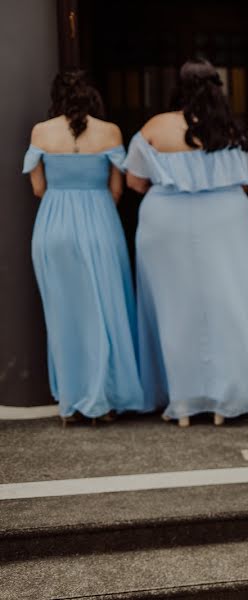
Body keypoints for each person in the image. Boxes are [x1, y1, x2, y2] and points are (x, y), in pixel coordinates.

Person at [125, 59, 248, 427]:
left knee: (175, 310)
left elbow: (134, 183)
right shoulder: (233, 129)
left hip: (165, 220)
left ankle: (183, 402)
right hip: (225, 218)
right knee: (232, 306)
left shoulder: (156, 127)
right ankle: (227, 400)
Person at [23, 69, 144, 424]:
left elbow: (37, 189)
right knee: (105, 310)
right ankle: (102, 400)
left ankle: (71, 401)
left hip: (54, 224)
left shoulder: (41, 132)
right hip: (100, 222)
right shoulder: (110, 132)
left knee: (64, 315)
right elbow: (118, 190)